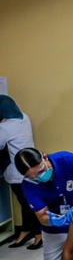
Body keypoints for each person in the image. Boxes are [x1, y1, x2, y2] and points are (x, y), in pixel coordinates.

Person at [0, 95, 40, 250]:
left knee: (27, 203)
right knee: (27, 203)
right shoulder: (24, 118)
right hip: (31, 167)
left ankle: (37, 234)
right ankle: (26, 231)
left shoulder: (5, 127)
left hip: (17, 172)